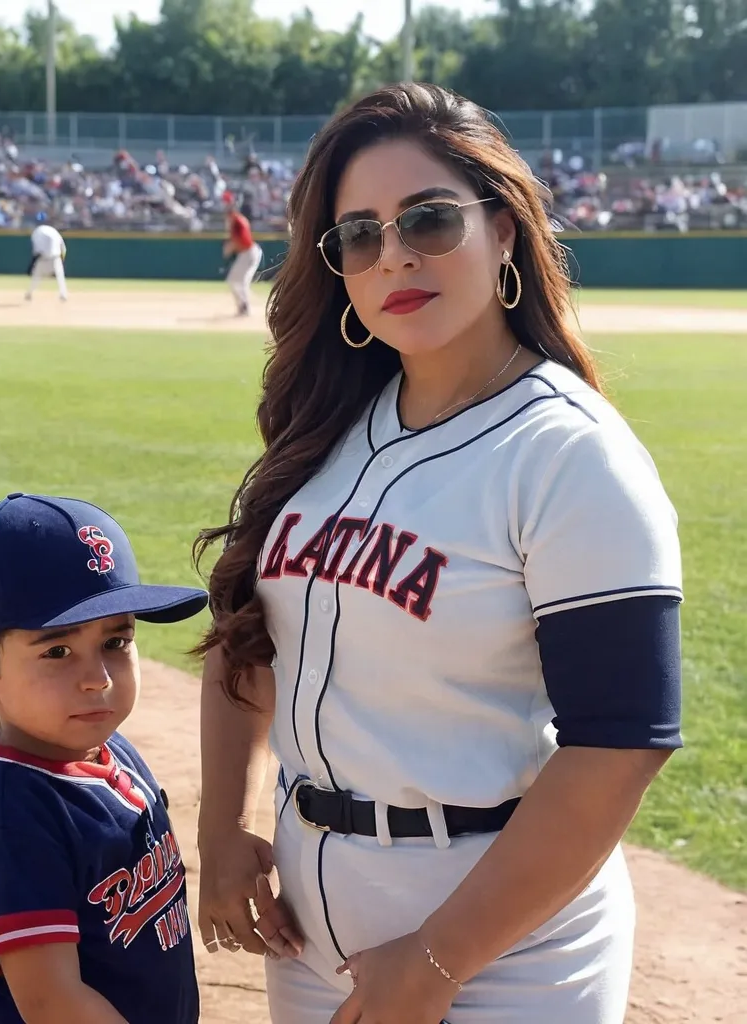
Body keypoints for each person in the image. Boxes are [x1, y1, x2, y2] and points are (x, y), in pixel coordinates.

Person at [194, 82, 683, 1024]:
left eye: (429, 219)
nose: (396, 256)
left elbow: (619, 744)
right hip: (311, 934)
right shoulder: (329, 426)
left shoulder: (571, 455)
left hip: (500, 952)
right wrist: (222, 827)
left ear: (503, 230)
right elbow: (248, 636)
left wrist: (434, 961)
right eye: (361, 235)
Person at [0, 493, 213, 1024]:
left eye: (116, 641)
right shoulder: (17, 815)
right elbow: (52, 1002)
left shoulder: (108, 750)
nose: (98, 678)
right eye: (57, 651)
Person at [222, 192, 263, 316]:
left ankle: (245, 308)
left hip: (250, 252)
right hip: (246, 253)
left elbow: (243, 241)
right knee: (233, 280)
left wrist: (230, 247)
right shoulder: (236, 221)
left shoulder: (238, 221)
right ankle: (242, 306)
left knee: (242, 282)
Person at [26, 215, 68, 302]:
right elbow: (63, 248)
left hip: (43, 259)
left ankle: (29, 293)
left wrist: (31, 264)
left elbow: (37, 251)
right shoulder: (54, 231)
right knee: (60, 276)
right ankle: (63, 294)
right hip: (56, 258)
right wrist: (62, 261)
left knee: (36, 277)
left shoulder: (37, 232)